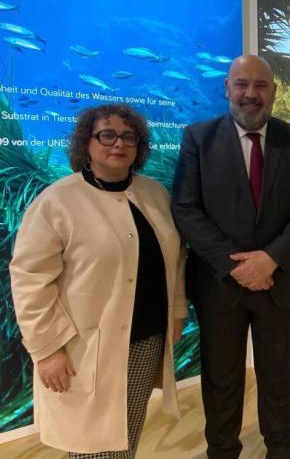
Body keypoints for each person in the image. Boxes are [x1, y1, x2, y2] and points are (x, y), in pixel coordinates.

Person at [10, 104, 187, 458]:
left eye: (128, 136)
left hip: (145, 341)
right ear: (86, 142)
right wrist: (47, 350)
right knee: (92, 444)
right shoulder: (57, 201)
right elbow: (29, 280)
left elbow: (176, 259)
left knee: (126, 435)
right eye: (107, 134)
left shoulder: (155, 194)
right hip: (83, 348)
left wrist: (177, 313)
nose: (118, 143)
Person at [172, 55, 290, 459]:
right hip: (221, 285)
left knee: (279, 378)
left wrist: (271, 259)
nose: (250, 94)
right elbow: (185, 208)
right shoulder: (198, 138)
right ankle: (222, 452)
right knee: (221, 381)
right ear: (227, 88)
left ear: (274, 91)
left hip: (281, 281)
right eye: (242, 84)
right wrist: (236, 265)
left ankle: (282, 451)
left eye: (260, 85)